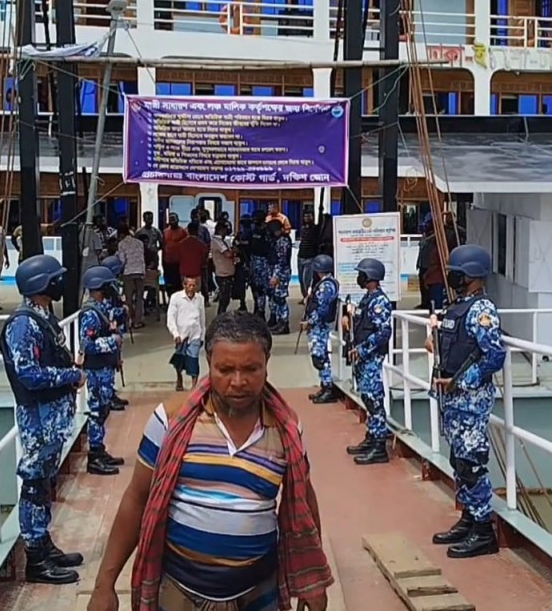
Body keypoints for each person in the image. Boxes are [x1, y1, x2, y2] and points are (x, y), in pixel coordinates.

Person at [85, 311, 333, 611]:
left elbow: (303, 499)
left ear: (267, 364)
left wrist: (312, 581)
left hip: (258, 593)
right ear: (208, 364)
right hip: (180, 594)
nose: (238, 381)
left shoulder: (287, 429)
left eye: (251, 369)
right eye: (225, 369)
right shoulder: (170, 420)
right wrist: (104, 585)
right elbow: (136, 499)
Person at [0, 254, 93, 583]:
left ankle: (43, 543)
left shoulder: (43, 318)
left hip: (52, 418)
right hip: (39, 419)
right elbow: (28, 374)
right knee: (35, 485)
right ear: (42, 285)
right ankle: (36, 559)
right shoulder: (23, 324)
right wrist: (70, 375)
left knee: (44, 483)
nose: (60, 283)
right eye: (55, 279)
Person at [425, 244, 505, 559]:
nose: (452, 277)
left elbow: (494, 356)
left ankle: (484, 531)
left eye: (457, 273)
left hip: (470, 401)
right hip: (453, 401)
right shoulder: (459, 306)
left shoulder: (482, 310)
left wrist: (460, 382)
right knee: (459, 461)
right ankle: (470, 519)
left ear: (472, 275)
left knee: (471, 464)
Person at [342, 257, 393, 465]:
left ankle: (379, 445)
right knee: (367, 397)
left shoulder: (379, 302)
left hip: (371, 357)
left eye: (362, 274)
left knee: (374, 399)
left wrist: (363, 349)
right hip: (363, 357)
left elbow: (383, 332)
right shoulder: (367, 299)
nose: (359, 278)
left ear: (370, 276)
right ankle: (372, 437)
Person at [80, 265, 125, 475]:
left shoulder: (100, 308)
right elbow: (87, 345)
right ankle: (94, 456)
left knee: (103, 410)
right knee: (97, 412)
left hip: (104, 368)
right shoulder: (90, 313)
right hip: (96, 370)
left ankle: (99, 449)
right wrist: (112, 341)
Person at [303, 254, 342, 404]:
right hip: (318, 325)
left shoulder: (326, 286)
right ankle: (325, 385)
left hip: (319, 326)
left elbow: (322, 308)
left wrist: (310, 322)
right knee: (319, 356)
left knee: (319, 357)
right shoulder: (325, 283)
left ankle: (328, 388)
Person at [99, 255, 131, 412]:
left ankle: (111, 392)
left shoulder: (114, 286)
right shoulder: (106, 289)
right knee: (109, 362)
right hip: (110, 329)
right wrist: (121, 311)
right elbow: (108, 311)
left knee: (115, 361)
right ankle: (108, 397)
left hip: (117, 328)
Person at [166, 276, 206, 390]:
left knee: (194, 359)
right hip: (181, 336)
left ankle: (194, 386)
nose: (191, 288)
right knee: (179, 359)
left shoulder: (200, 299)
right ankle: (179, 379)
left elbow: (202, 319)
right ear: (184, 286)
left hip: (195, 335)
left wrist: (202, 336)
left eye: (194, 286)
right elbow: (171, 318)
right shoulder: (176, 298)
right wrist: (175, 334)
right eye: (189, 285)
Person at [268, 219, 293, 335]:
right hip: (277, 272)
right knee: (276, 298)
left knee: (280, 299)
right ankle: (279, 322)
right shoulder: (277, 240)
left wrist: (275, 276)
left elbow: (281, 261)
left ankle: (284, 323)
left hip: (281, 273)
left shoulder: (283, 241)